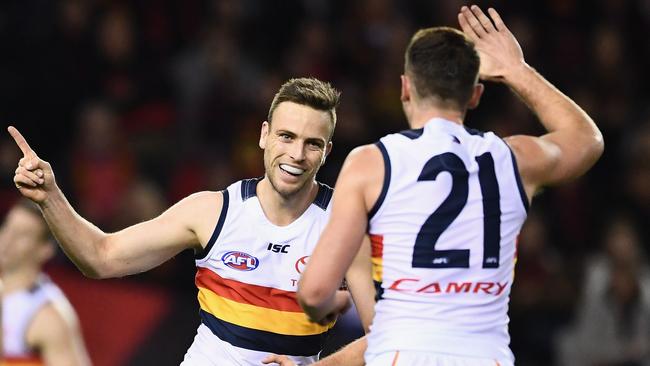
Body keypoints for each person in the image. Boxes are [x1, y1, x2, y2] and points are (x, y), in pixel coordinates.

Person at [297, 5, 604, 366]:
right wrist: (515, 70)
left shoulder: (372, 164)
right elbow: (587, 140)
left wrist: (334, 303)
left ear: (405, 88)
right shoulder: (512, 159)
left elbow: (316, 291)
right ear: (475, 95)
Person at [8, 77, 376, 366]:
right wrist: (50, 197)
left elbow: (394, 336)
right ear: (264, 135)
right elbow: (101, 256)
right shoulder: (212, 212)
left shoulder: (346, 227)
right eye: (286, 136)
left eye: (312, 143)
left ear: (327, 151)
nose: (296, 154)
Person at [0, 199, 91, 366]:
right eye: (7, 227)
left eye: (22, 235)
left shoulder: (47, 315)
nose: (7, 239)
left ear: (45, 249)